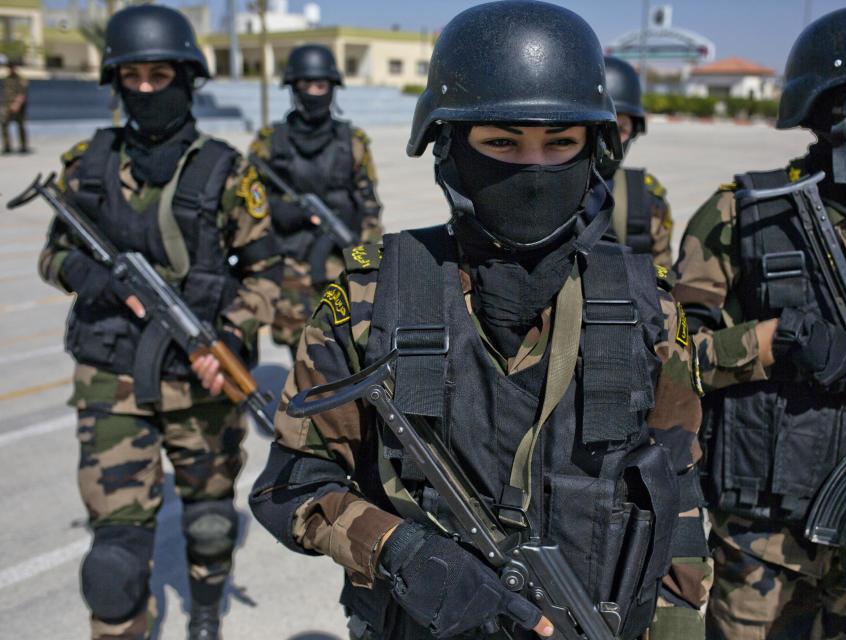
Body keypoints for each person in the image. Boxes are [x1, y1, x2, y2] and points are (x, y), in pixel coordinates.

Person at [250, 2, 709, 638]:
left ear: (595, 151)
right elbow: (290, 488)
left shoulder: (649, 310)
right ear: (449, 147)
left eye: (560, 144)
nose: (531, 169)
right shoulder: (369, 300)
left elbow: (676, 501)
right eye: (499, 143)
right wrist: (393, 547)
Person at [670, 4, 846, 638]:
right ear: (827, 107)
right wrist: (775, 343)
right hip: (763, 549)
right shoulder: (741, 216)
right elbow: (668, 364)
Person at [37, 5, 281, 639]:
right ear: (116, 82)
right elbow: (53, 253)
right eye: (133, 76)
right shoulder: (84, 164)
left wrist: (228, 334)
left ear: (187, 77)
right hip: (109, 376)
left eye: (159, 74)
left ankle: (205, 618)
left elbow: (269, 275)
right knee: (114, 563)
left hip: (200, 384)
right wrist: (93, 278)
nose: (145, 88)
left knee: (207, 523)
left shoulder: (228, 170)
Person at [250, 44, 383, 356]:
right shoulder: (269, 142)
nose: (313, 92)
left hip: (342, 262)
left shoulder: (353, 142)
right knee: (296, 348)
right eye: (305, 85)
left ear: (332, 89)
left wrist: (369, 268)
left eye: (320, 85)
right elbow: (248, 209)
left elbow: (370, 210)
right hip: (289, 266)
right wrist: (281, 211)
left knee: (347, 347)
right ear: (293, 88)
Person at [583, 56, 673, 267]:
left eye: (619, 130)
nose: (607, 142)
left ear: (635, 132)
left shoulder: (646, 200)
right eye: (598, 128)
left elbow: (663, 281)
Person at [2, 61, 29, 154]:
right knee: (4, 125)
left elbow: (22, 93)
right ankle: (7, 146)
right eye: (10, 67)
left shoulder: (21, 79)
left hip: (19, 107)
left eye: (13, 67)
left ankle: (23, 146)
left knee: (21, 126)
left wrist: (16, 104)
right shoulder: (6, 79)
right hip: (6, 106)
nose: (12, 69)